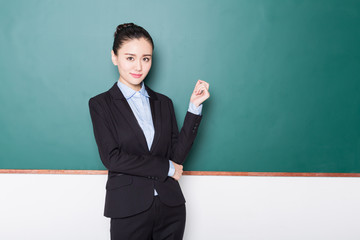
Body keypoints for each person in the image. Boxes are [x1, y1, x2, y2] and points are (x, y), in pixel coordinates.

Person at [89, 22, 210, 240]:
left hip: (170, 208)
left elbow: (176, 158)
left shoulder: (164, 103)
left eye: (146, 58)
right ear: (114, 57)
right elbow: (112, 158)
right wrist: (166, 168)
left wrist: (194, 108)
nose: (138, 67)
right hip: (128, 209)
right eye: (130, 58)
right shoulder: (100, 104)